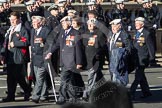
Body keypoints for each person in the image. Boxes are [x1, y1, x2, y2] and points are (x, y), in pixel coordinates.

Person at [45, 16, 83, 104]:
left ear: (69, 23)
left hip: (71, 61)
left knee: (64, 78)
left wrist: (79, 62)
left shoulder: (75, 33)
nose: (62, 25)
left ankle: (61, 97)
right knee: (69, 80)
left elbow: (78, 49)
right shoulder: (62, 32)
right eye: (62, 23)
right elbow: (57, 44)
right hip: (63, 60)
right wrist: (50, 52)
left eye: (64, 23)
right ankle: (73, 98)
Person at [0, 11, 30, 102]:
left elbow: (26, 41)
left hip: (19, 55)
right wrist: (2, 54)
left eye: (14, 20)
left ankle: (27, 90)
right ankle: (11, 95)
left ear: (18, 19)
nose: (12, 21)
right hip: (9, 55)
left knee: (18, 75)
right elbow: (5, 43)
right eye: (11, 19)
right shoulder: (10, 29)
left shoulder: (22, 29)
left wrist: (15, 43)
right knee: (10, 77)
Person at [82, 18, 106, 101]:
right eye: (88, 24)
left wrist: (98, 55)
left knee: (91, 76)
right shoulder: (85, 34)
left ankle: (87, 93)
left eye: (92, 24)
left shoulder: (99, 34)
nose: (90, 25)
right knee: (99, 77)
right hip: (87, 59)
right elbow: (84, 46)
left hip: (95, 59)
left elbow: (103, 47)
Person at [130, 17, 153, 99]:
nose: (135, 25)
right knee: (141, 76)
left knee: (138, 76)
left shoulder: (146, 33)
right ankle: (146, 92)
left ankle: (131, 92)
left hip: (143, 58)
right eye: (135, 23)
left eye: (137, 23)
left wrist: (151, 58)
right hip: (136, 58)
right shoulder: (136, 33)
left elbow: (150, 47)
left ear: (142, 24)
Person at [30, 15, 50, 103]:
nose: (33, 24)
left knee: (39, 77)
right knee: (41, 78)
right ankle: (44, 95)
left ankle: (35, 95)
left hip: (43, 57)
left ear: (40, 22)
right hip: (35, 58)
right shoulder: (33, 31)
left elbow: (50, 43)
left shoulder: (46, 31)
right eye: (33, 22)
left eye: (35, 22)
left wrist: (47, 51)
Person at [107, 19, 132, 86]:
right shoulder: (111, 34)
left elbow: (129, 49)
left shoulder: (124, 35)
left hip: (120, 62)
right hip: (112, 61)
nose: (113, 28)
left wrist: (122, 58)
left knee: (119, 80)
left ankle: (121, 94)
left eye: (115, 26)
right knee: (113, 80)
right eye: (112, 26)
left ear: (120, 26)